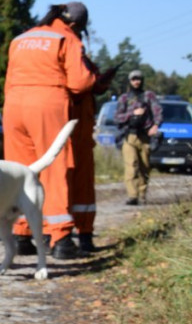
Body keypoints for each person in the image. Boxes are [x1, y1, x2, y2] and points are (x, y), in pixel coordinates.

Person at [2, 1, 96, 260]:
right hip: (47, 103)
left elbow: (9, 78)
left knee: (20, 170)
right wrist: (95, 77)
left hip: (13, 105)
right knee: (54, 168)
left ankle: (21, 235)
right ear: (75, 24)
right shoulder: (67, 38)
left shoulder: (21, 38)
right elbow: (79, 83)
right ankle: (61, 238)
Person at [69, 53, 117, 253]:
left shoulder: (82, 59)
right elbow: (81, 85)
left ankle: (77, 237)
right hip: (71, 130)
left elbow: (93, 86)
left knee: (76, 187)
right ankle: (69, 237)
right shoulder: (68, 53)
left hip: (78, 131)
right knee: (73, 186)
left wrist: (103, 81)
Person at [114, 69, 162, 205]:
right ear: (129, 81)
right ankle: (132, 196)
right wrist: (132, 113)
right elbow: (117, 118)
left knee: (144, 167)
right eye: (134, 79)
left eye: (139, 79)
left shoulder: (149, 96)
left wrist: (156, 125)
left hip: (145, 136)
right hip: (129, 137)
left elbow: (158, 112)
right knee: (131, 166)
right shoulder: (124, 98)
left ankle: (142, 195)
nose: (136, 81)